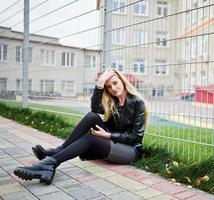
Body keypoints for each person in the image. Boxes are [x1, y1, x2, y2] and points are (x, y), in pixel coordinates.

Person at [14, 69, 148, 184]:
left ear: (122, 81)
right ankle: (55, 155)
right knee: (91, 116)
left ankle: (50, 163)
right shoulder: (114, 101)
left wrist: (108, 135)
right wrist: (99, 85)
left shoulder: (137, 102)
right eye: (108, 86)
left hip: (129, 150)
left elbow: (136, 136)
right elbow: (95, 108)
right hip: (113, 142)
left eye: (115, 83)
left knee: (90, 138)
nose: (113, 88)